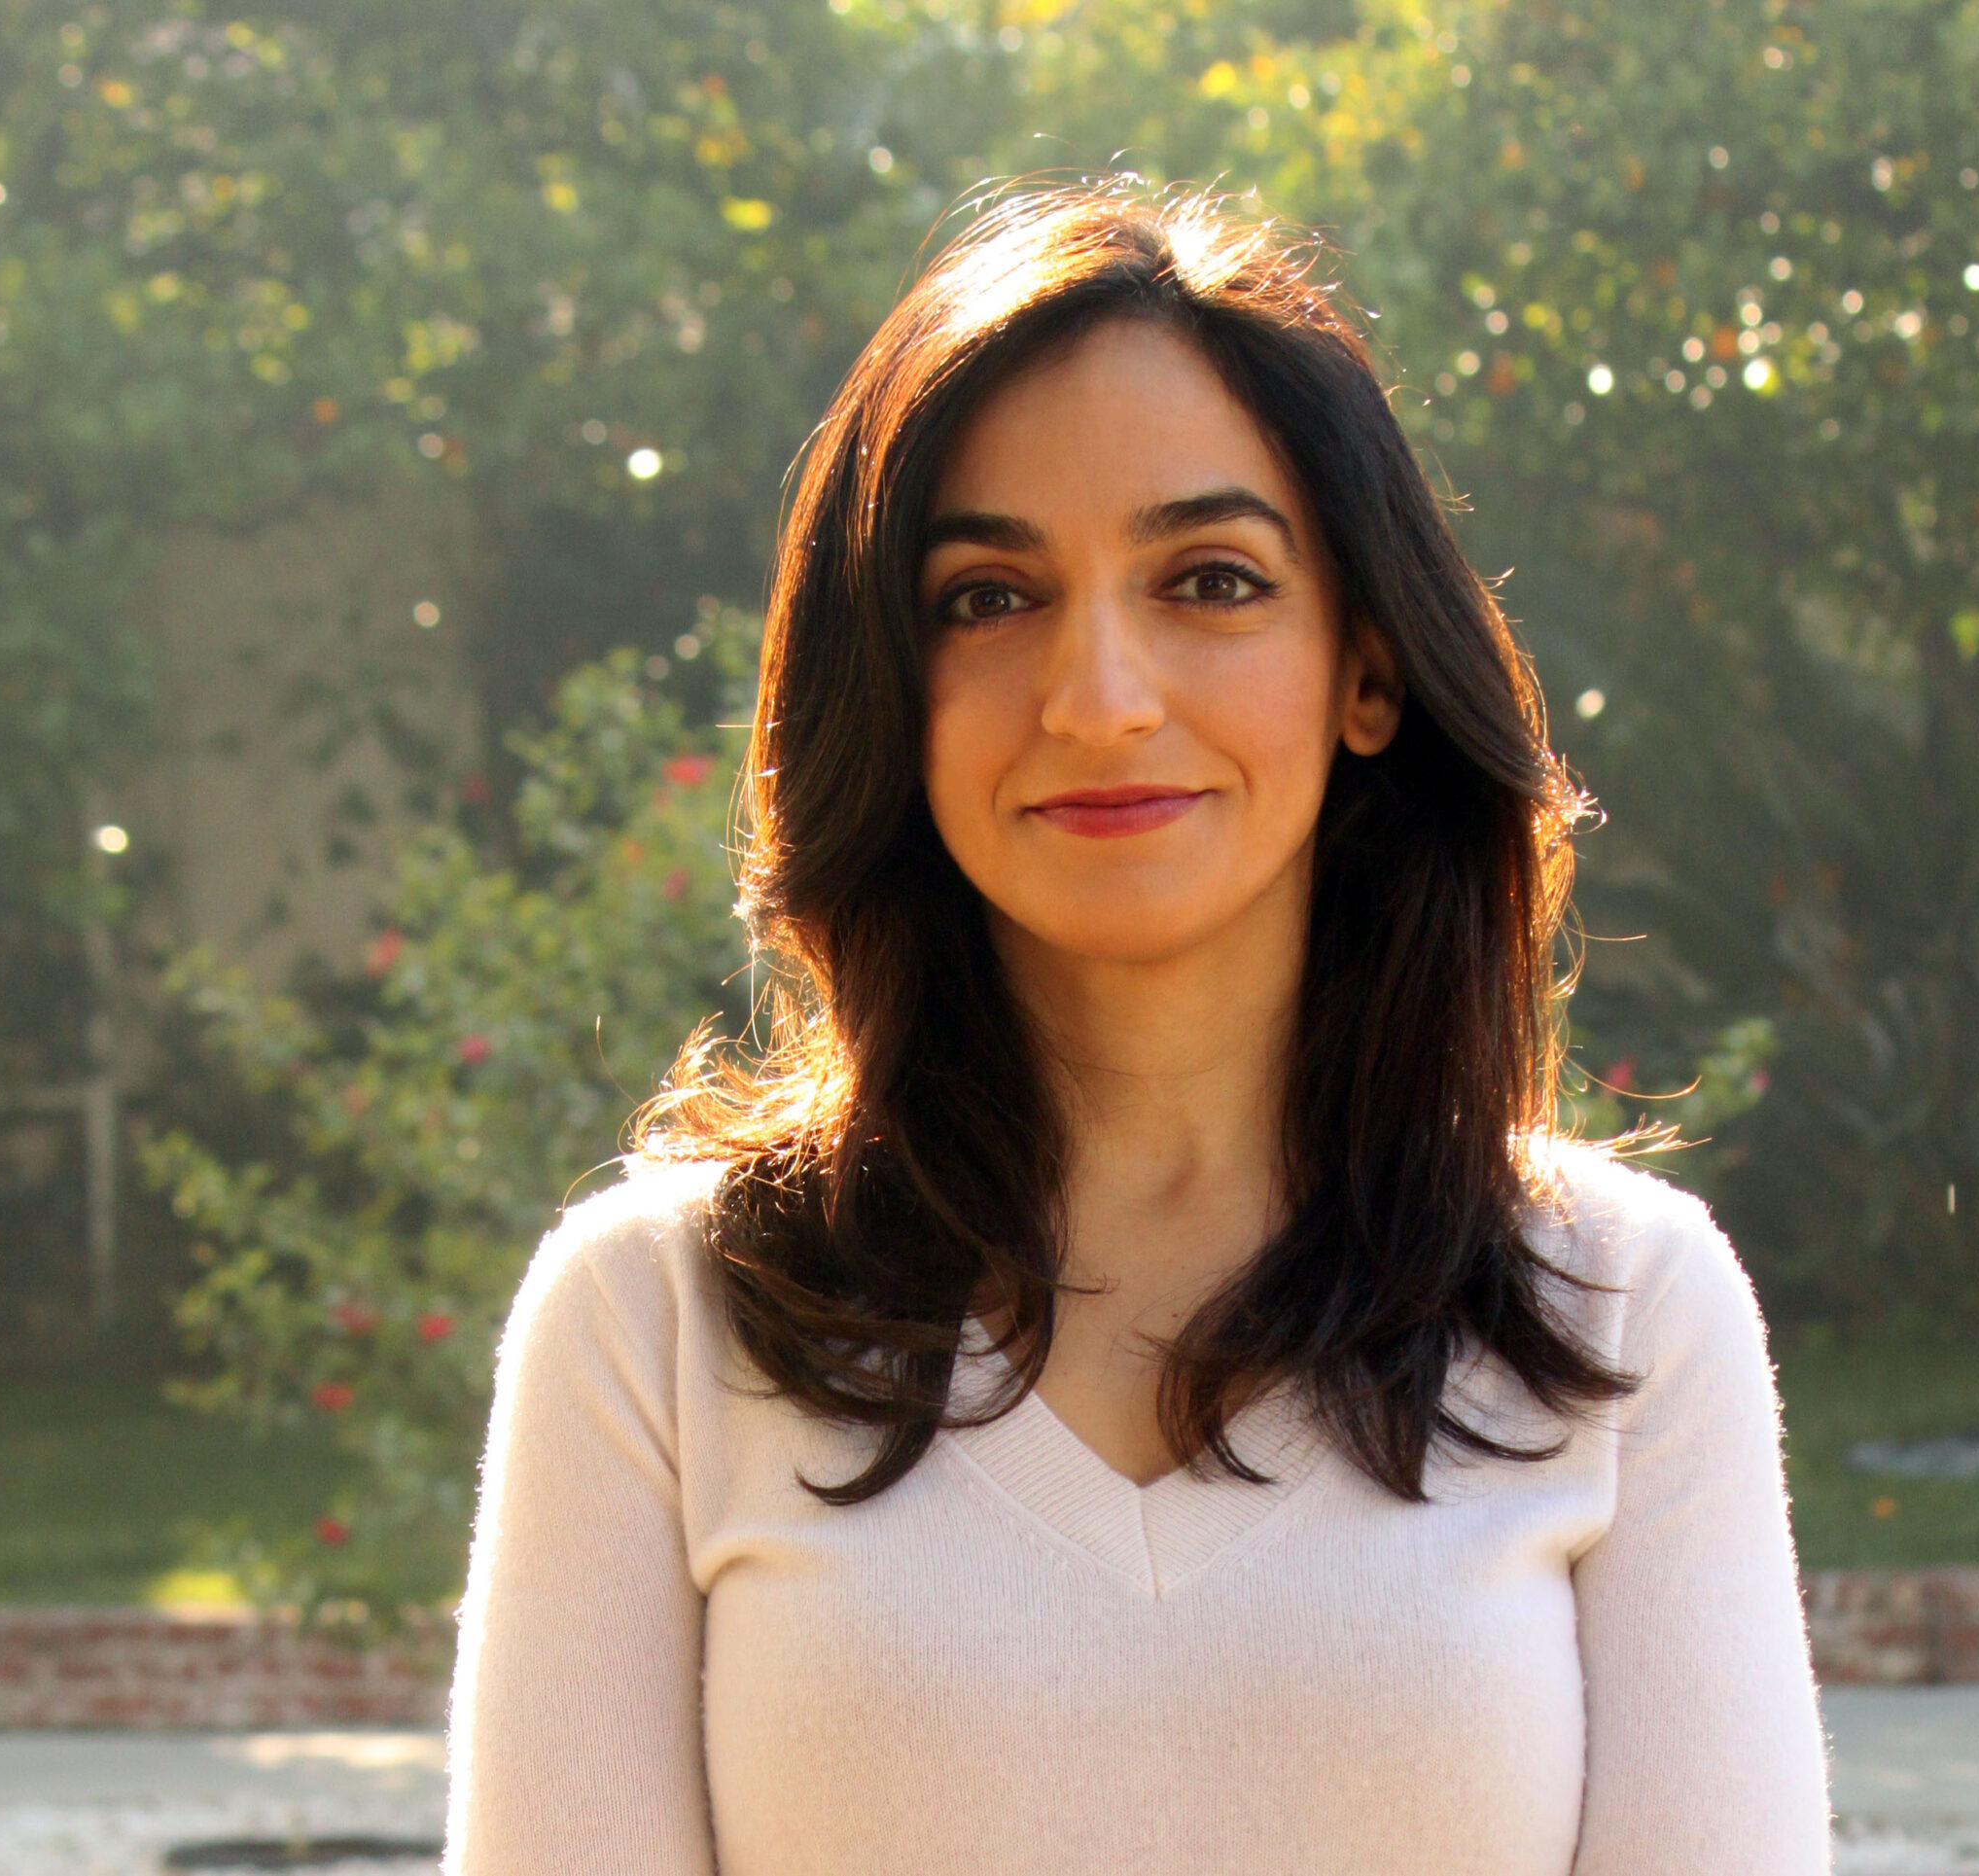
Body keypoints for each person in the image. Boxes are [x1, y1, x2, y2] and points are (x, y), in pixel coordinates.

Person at [444, 183, 1831, 1875]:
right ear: (890, 685)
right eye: (986, 597)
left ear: (1367, 671)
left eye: (1210, 580)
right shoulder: (655, 1321)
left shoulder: (1617, 1309)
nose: (1098, 697)